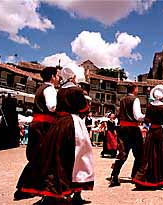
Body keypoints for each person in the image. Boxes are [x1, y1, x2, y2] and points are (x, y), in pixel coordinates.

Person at [20, 67, 94, 204]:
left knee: (54, 158)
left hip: (58, 125)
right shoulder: (75, 91)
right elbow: (83, 108)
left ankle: (50, 191)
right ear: (72, 78)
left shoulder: (59, 91)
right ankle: (74, 193)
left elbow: (57, 108)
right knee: (79, 158)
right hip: (72, 124)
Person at [14, 66, 60, 201]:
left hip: (37, 125)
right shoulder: (50, 89)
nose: (59, 78)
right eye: (57, 75)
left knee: (37, 157)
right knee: (45, 157)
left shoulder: (41, 88)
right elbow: (53, 107)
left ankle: (25, 189)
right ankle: (27, 189)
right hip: (44, 126)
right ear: (52, 76)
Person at [133, 84, 163, 188]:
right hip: (162, 132)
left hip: (152, 131)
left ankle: (145, 177)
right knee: (162, 155)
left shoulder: (149, 106)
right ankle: (160, 178)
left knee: (149, 155)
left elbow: (147, 119)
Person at [109, 83, 145, 187]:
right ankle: (135, 176)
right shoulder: (135, 100)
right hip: (133, 129)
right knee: (139, 154)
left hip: (122, 129)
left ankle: (114, 176)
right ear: (134, 89)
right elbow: (137, 116)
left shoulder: (122, 100)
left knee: (123, 153)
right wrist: (146, 116)